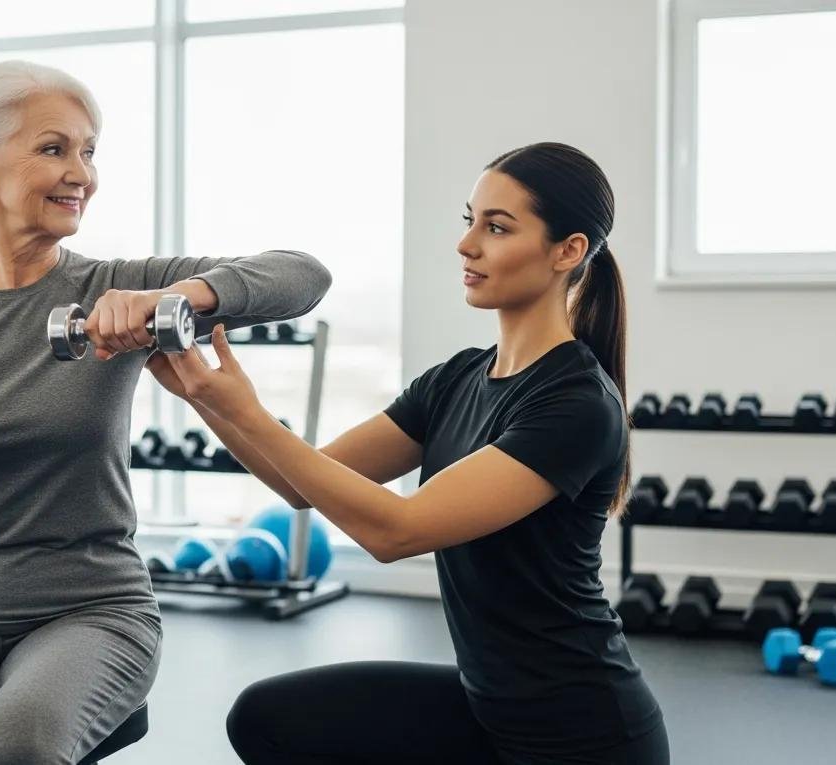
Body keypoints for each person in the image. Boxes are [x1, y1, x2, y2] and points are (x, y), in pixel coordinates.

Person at [0, 60, 331, 764]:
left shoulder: (110, 291)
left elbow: (303, 275)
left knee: (16, 745)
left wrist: (173, 298)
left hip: (90, 606)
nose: (82, 174)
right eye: (54, 148)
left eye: (89, 152)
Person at [148, 142, 669, 764]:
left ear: (568, 251)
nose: (466, 243)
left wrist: (245, 411)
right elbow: (301, 485)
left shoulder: (576, 404)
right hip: (488, 711)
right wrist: (203, 395)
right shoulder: (455, 380)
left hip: (581, 736)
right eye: (469, 219)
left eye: (497, 228)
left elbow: (395, 531)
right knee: (269, 719)